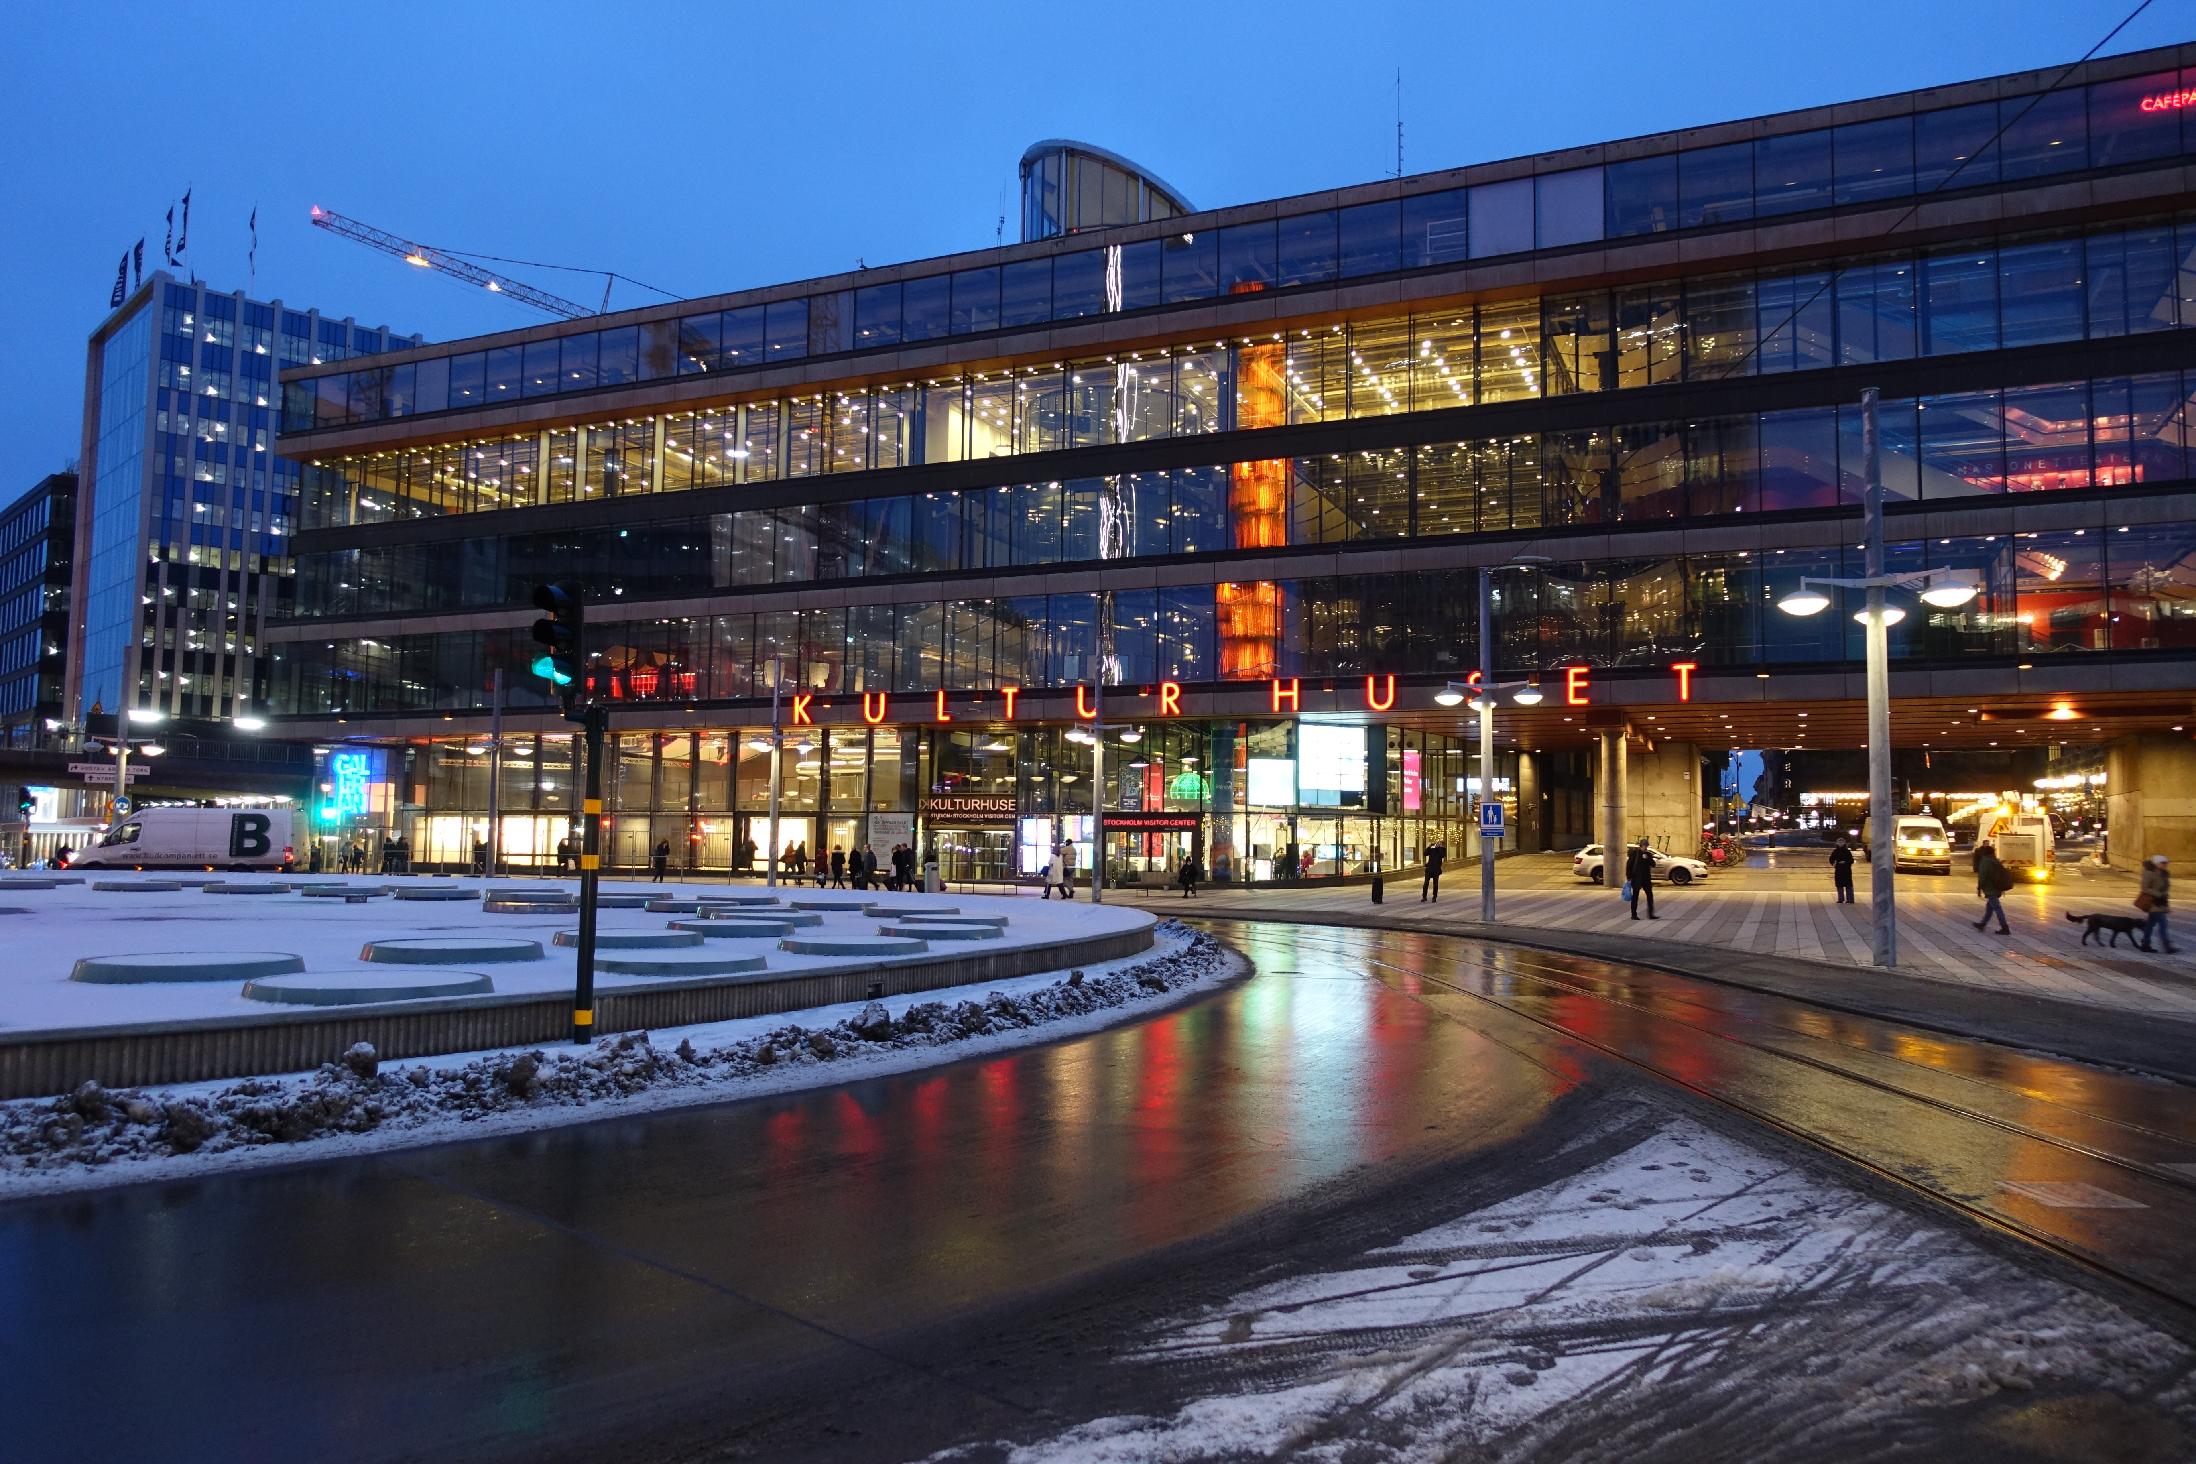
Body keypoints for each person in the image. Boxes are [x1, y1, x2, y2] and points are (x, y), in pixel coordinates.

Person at [1973, 840, 2012, 935]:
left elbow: (1982, 876)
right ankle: (1982, 924)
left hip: (1991, 889)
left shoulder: (1985, 861)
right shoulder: (1995, 861)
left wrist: (1979, 888)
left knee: (1997, 908)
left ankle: (2005, 927)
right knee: (1989, 908)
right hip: (1997, 887)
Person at [2140, 854, 2176, 954]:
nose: (2165, 865)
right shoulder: (2149, 873)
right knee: (2163, 925)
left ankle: (2145, 944)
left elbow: (2165, 890)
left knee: (2150, 925)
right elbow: (2144, 888)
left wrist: (2166, 904)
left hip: (2161, 902)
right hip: (2153, 902)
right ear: (2156, 863)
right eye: (2162, 863)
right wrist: (2158, 894)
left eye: (2166, 863)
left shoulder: (2164, 873)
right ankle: (2167, 947)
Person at [1625, 837, 1658, 920]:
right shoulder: (1635, 853)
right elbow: (1629, 865)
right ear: (1641, 846)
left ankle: (1651, 914)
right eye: (1644, 846)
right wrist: (1629, 877)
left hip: (1646, 879)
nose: (1645, 847)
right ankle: (1633, 914)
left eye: (1647, 846)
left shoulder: (1648, 854)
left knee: (1650, 896)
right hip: (1637, 879)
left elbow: (1653, 864)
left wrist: (1648, 858)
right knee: (1635, 896)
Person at [1829, 837, 1856, 904]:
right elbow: (1831, 859)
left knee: (1848, 885)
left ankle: (1850, 899)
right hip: (1839, 869)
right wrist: (1834, 863)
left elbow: (1851, 860)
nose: (1840, 843)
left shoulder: (1847, 851)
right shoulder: (1835, 851)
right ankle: (1841, 899)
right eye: (1839, 842)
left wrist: (1845, 862)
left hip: (1846, 870)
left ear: (1844, 843)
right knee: (1839, 885)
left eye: (1842, 842)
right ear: (1837, 843)